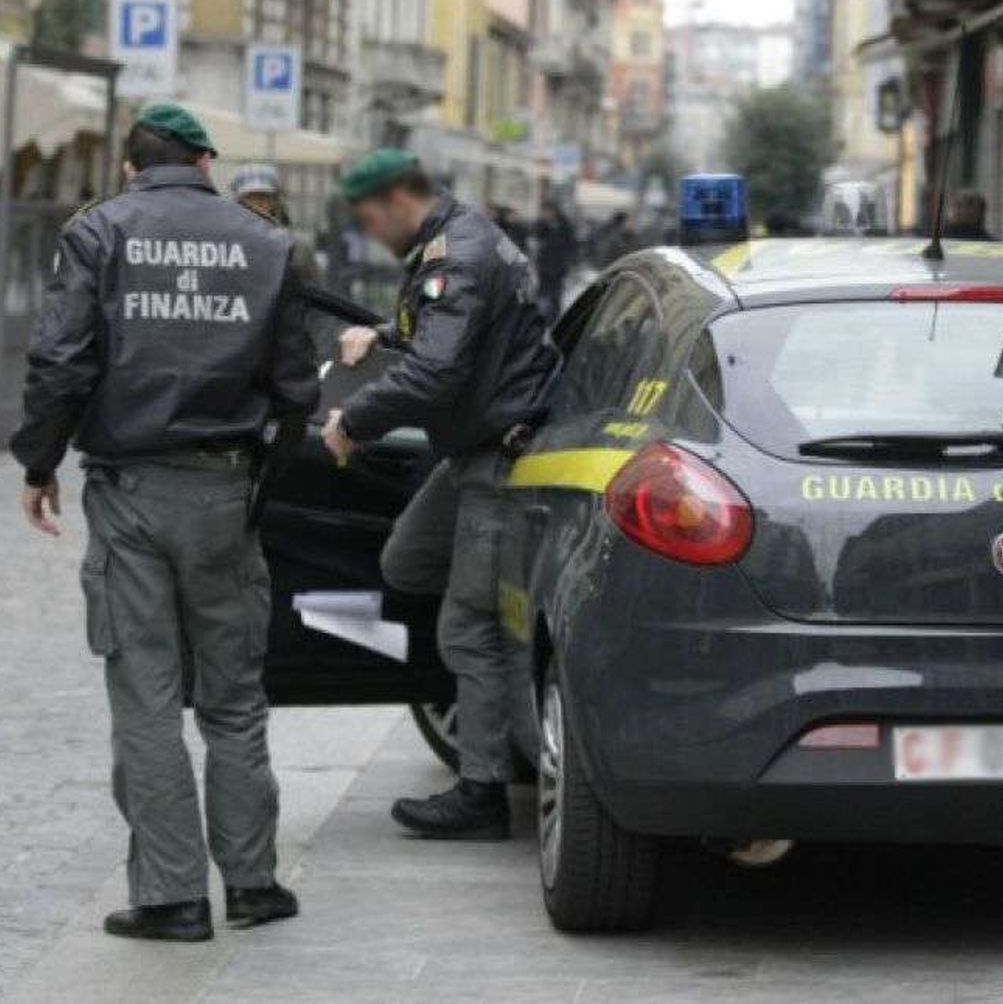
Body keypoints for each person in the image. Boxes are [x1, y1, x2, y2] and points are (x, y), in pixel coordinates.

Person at [9, 103, 317, 941]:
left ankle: (173, 897)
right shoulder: (265, 243)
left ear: (128, 167)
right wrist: (262, 485)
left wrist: (38, 463)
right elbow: (297, 392)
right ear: (209, 161)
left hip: (132, 493)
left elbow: (62, 360)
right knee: (234, 700)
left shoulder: (99, 232)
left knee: (145, 696)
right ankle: (253, 885)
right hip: (224, 491)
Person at [321, 148, 558, 838]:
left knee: (470, 626)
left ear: (398, 199)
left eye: (370, 219)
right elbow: (447, 340)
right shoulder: (455, 243)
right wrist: (384, 333)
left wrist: (354, 421)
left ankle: (483, 788)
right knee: (405, 562)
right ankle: (493, 688)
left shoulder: (456, 255)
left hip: (499, 461)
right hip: (469, 456)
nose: (371, 234)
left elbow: (438, 372)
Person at [229, 163, 321, 287]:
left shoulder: (296, 246)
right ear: (238, 201)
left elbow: (313, 289)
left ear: (275, 201)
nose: (257, 204)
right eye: (250, 197)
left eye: (264, 197)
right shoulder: (227, 242)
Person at [531, 199, 577, 322]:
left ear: (554, 211)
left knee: (556, 294)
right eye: (544, 211)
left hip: (559, 266)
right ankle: (540, 318)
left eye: (547, 211)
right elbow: (535, 240)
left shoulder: (565, 225)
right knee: (542, 293)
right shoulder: (541, 225)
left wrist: (568, 261)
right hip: (544, 265)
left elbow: (571, 245)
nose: (545, 214)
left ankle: (553, 319)